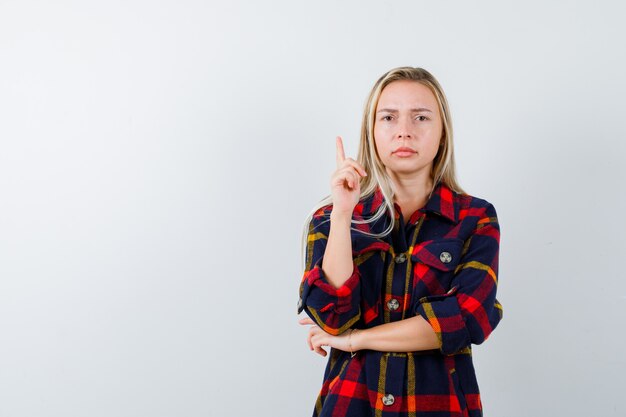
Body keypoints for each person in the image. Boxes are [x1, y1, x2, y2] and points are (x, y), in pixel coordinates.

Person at [297, 66, 503, 417]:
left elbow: (463, 320)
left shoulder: (475, 218)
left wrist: (356, 341)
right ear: (372, 131)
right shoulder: (331, 219)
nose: (404, 132)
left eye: (421, 118)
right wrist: (344, 215)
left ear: (442, 133)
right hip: (351, 404)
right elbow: (333, 317)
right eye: (389, 118)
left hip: (441, 407)